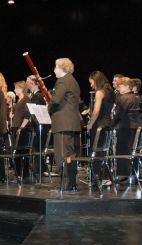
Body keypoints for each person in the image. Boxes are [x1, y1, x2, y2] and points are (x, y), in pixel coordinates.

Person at [49, 58, 81, 192]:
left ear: (62, 68)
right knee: (70, 154)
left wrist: (49, 108)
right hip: (72, 122)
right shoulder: (73, 81)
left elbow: (55, 100)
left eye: (55, 67)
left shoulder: (62, 81)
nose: (54, 69)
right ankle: (71, 183)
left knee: (62, 154)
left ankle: (65, 184)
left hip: (63, 122)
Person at [111, 77, 142, 180]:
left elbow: (118, 115)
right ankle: (134, 174)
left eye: (120, 86)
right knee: (134, 151)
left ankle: (122, 174)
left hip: (125, 128)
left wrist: (110, 125)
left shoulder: (122, 98)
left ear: (127, 87)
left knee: (122, 150)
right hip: (138, 128)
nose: (118, 88)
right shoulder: (139, 97)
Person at [86, 70, 115, 186]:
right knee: (103, 152)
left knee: (97, 152)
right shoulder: (110, 92)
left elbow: (96, 111)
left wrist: (90, 124)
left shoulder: (99, 92)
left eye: (91, 82)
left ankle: (100, 178)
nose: (91, 85)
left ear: (96, 80)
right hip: (108, 123)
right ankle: (106, 178)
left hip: (99, 125)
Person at [26, 75, 49, 175]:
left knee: (38, 148)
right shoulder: (34, 95)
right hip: (38, 127)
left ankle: (39, 169)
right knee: (37, 148)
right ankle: (39, 168)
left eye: (28, 81)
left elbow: (38, 113)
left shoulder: (38, 96)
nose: (26, 83)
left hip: (40, 127)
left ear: (33, 83)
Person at [11, 80, 31, 179]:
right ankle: (19, 173)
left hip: (21, 129)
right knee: (18, 152)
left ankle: (22, 174)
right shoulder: (19, 100)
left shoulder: (26, 99)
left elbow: (28, 115)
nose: (14, 90)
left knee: (21, 152)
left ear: (21, 88)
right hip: (16, 127)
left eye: (16, 88)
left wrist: (21, 128)